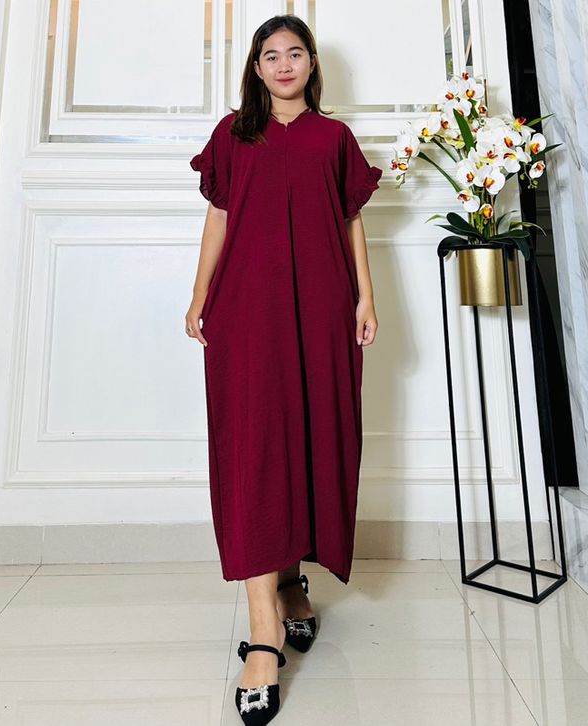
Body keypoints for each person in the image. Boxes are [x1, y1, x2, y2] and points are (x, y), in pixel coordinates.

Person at [186, 13, 381, 724]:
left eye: (295, 53)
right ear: (256, 68)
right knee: (257, 449)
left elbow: (351, 218)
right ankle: (264, 633)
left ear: (311, 63)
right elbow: (218, 217)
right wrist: (199, 295)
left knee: (310, 437)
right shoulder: (234, 134)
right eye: (271, 55)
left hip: (323, 307)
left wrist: (365, 296)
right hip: (248, 310)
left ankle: (294, 584)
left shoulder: (335, 139)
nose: (284, 64)